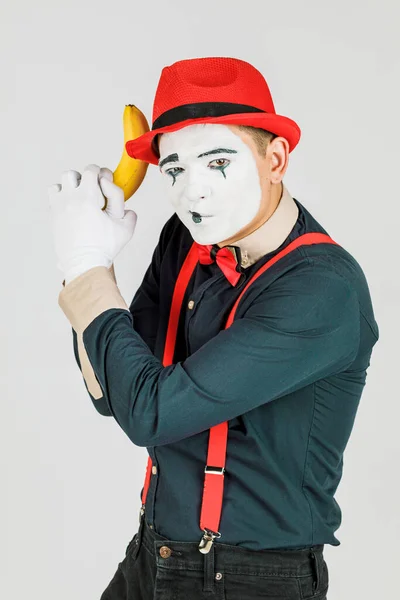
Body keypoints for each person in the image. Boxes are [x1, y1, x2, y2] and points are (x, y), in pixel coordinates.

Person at [48, 56, 380, 600]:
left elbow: (151, 413)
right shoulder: (182, 241)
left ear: (275, 159)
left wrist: (87, 272)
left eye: (217, 162)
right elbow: (116, 392)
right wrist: (88, 268)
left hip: (252, 580)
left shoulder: (323, 289)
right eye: (175, 170)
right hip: (150, 556)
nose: (191, 193)